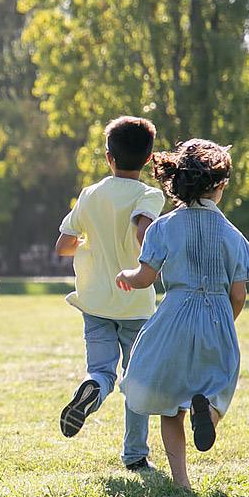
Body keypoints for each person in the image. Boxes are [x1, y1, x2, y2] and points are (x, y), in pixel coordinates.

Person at [115, 139, 249, 489]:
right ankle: (208, 413)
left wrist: (126, 276)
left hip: (174, 316)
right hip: (217, 317)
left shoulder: (162, 227)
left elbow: (145, 278)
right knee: (218, 387)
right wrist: (224, 321)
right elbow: (238, 294)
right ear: (219, 185)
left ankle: (182, 483)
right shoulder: (235, 238)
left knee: (169, 403)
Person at [54, 116, 165, 471]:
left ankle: (92, 389)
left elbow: (63, 245)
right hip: (134, 301)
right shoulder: (150, 194)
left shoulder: (90, 194)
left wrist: (93, 244)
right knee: (137, 379)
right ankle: (135, 455)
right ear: (148, 159)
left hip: (95, 300)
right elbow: (142, 231)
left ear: (108, 157)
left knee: (101, 370)